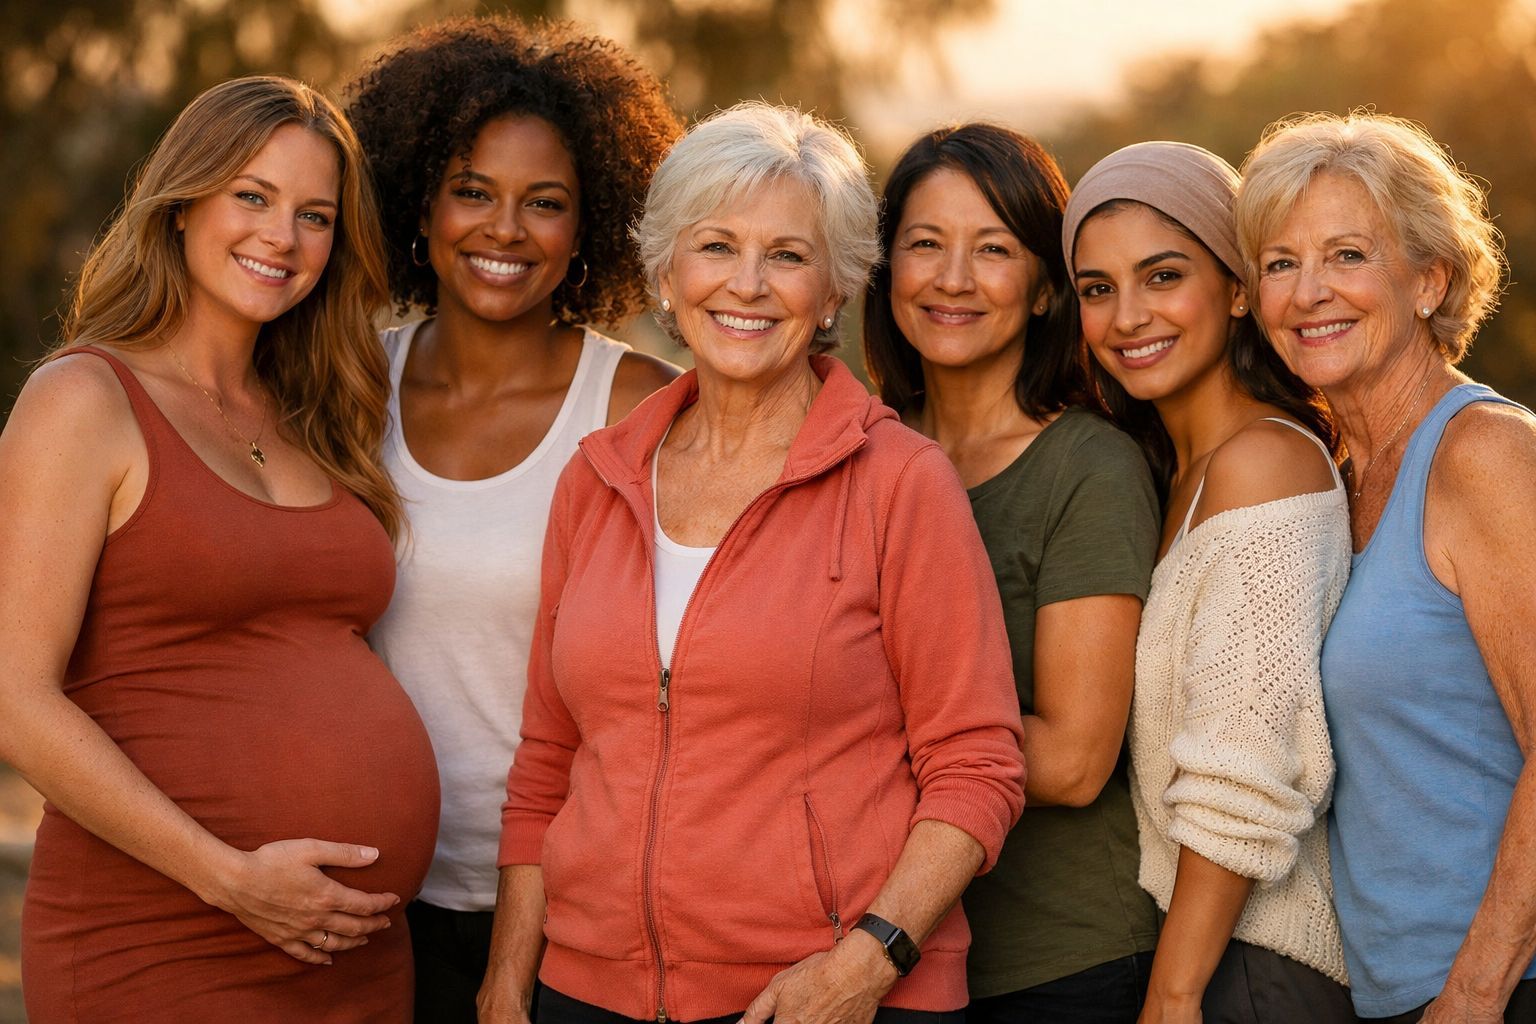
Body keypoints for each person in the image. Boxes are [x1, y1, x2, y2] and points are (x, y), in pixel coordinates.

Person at [477, 102, 1026, 1024]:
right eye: (717, 246)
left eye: (787, 255)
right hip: (586, 992)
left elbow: (977, 767)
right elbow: (549, 761)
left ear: (835, 288)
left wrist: (866, 965)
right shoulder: (599, 478)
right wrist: (505, 982)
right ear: (667, 270)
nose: (748, 285)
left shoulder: (901, 485)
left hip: (820, 997)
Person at [2, 76, 439, 1021]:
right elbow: (15, 698)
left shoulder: (314, 414)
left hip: (355, 958)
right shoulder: (84, 400)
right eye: (252, 196)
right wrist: (228, 876)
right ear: (183, 202)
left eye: (315, 215)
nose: (282, 238)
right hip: (165, 933)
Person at [345, 18, 680, 1019]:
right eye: (471, 192)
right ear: (419, 205)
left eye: (546, 203)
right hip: (364, 894)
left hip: (572, 906)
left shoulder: (639, 407)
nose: (504, 230)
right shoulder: (355, 387)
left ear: (592, 227)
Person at [1235, 112, 1536, 1024]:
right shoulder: (1338, 471)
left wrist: (1476, 990)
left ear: (1429, 279)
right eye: (1281, 263)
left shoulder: (1485, 454)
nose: (1310, 292)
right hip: (1393, 995)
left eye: (1349, 255)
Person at [863, 122, 1159, 1022]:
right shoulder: (855, 450)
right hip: (877, 946)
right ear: (885, 271)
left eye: (993, 249)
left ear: (1041, 290)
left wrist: (841, 725)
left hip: (1055, 963)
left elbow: (1072, 759)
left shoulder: (1088, 468)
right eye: (926, 244)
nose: (953, 278)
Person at [1063, 141, 1353, 1024]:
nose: (1126, 316)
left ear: (1235, 289)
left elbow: (1243, 763)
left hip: (1256, 968)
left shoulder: (1262, 463)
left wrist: (1174, 995)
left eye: (1162, 276)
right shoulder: (1176, 472)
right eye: (1097, 288)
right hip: (1212, 954)